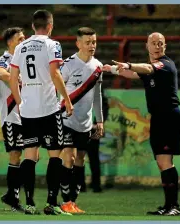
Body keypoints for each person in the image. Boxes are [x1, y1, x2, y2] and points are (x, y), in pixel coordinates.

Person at [102, 32, 180, 216]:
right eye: (154, 43)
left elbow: (146, 68)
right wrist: (110, 69)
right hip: (158, 117)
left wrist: (129, 64)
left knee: (166, 161)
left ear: (165, 46)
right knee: (161, 162)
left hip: (169, 117)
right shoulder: (151, 68)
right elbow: (133, 73)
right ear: (147, 46)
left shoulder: (165, 64)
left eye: (160, 43)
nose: (157, 46)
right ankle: (168, 205)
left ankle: (174, 206)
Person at [9, 9, 73, 215]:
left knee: (30, 156)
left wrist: (20, 102)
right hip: (48, 108)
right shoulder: (53, 45)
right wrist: (68, 100)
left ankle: (29, 203)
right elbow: (55, 73)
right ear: (50, 25)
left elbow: (12, 78)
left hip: (28, 110)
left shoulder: (21, 46)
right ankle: (51, 203)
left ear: (33, 26)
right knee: (55, 154)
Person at [59, 27, 104, 214]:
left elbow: (97, 95)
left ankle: (73, 201)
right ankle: (64, 200)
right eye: (87, 42)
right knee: (67, 156)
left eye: (93, 42)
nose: (91, 45)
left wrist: (99, 120)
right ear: (78, 43)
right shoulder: (68, 65)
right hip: (66, 119)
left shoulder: (98, 66)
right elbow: (56, 90)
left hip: (85, 122)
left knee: (80, 159)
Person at [0, 27, 25, 212]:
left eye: (24, 38)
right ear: (10, 42)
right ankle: (13, 197)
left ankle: (11, 195)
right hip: (11, 115)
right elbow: (1, 73)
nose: (23, 41)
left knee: (31, 155)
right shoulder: (5, 60)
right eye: (19, 39)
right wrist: (20, 79)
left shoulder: (25, 60)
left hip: (27, 114)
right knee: (15, 154)